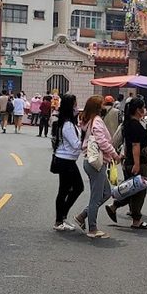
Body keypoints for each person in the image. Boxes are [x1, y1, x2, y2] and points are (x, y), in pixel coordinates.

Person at [73, 95, 120, 239]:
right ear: (97, 107)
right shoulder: (96, 121)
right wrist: (114, 154)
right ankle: (92, 228)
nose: (104, 107)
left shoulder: (88, 120)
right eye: (102, 105)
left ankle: (82, 216)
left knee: (106, 193)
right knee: (96, 196)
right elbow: (102, 142)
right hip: (96, 163)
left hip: (93, 161)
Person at [105, 96, 147, 230]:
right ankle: (136, 220)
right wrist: (137, 164)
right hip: (137, 162)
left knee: (131, 188)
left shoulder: (127, 124)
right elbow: (135, 145)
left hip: (129, 161)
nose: (144, 110)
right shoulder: (135, 125)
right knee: (139, 191)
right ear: (138, 110)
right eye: (142, 107)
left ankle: (114, 206)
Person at [50, 94, 84, 231]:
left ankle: (61, 218)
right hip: (65, 161)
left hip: (67, 160)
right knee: (74, 188)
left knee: (66, 189)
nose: (77, 108)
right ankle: (60, 219)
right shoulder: (67, 125)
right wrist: (86, 139)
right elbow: (76, 144)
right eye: (75, 105)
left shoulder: (70, 123)